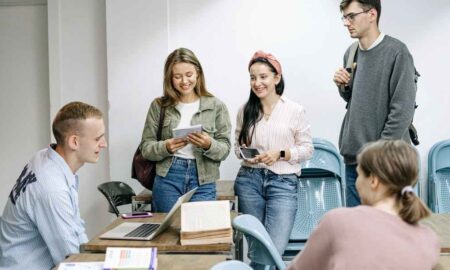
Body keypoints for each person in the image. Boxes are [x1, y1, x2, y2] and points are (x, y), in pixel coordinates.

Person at [287, 140, 440, 270]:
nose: (356, 182)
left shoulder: (338, 221)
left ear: (373, 180)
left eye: (359, 175)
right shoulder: (429, 239)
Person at [0, 102, 108, 270]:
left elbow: (75, 229)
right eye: (97, 138)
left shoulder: (45, 157)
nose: (104, 144)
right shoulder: (52, 189)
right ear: (74, 142)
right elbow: (72, 260)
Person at [333, 0, 417, 207]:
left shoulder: (397, 52)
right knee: (358, 235)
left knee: (392, 235)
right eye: (344, 17)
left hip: (387, 163)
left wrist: (377, 156)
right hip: (354, 162)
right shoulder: (350, 52)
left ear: (372, 14)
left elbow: (402, 111)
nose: (346, 22)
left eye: (351, 16)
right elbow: (356, 100)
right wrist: (343, 86)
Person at [234, 50, 313, 268]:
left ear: (276, 78)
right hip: (249, 181)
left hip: (283, 183)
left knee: (273, 248)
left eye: (263, 77)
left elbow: (307, 149)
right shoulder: (245, 110)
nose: (257, 82)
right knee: (257, 245)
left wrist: (281, 153)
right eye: (252, 77)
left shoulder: (295, 110)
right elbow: (236, 147)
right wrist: (245, 155)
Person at [140, 48, 231, 212]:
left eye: (189, 74)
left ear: (198, 73)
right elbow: (146, 148)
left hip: (203, 179)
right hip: (168, 177)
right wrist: (166, 147)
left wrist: (208, 144)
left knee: (199, 233)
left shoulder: (216, 106)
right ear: (169, 78)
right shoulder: (159, 106)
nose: (184, 81)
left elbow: (225, 149)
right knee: (167, 234)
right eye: (177, 76)